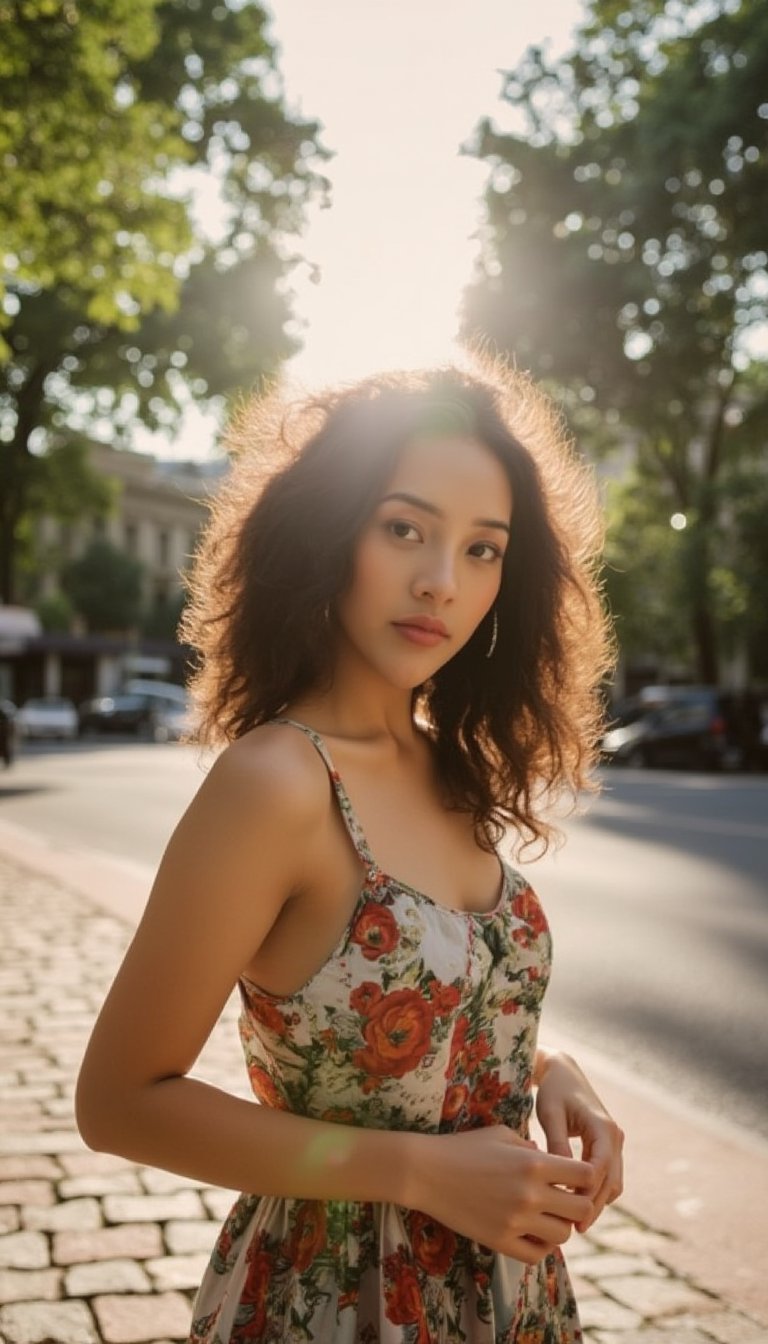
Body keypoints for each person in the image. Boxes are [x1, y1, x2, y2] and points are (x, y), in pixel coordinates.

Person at [76, 357, 623, 1344]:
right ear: (329, 532)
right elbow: (118, 1103)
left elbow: (407, 1014)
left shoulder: (447, 766)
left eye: (483, 549)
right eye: (405, 527)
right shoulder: (277, 784)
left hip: (512, 1303)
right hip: (340, 1301)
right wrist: (414, 1173)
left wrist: (551, 1071)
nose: (440, 581)